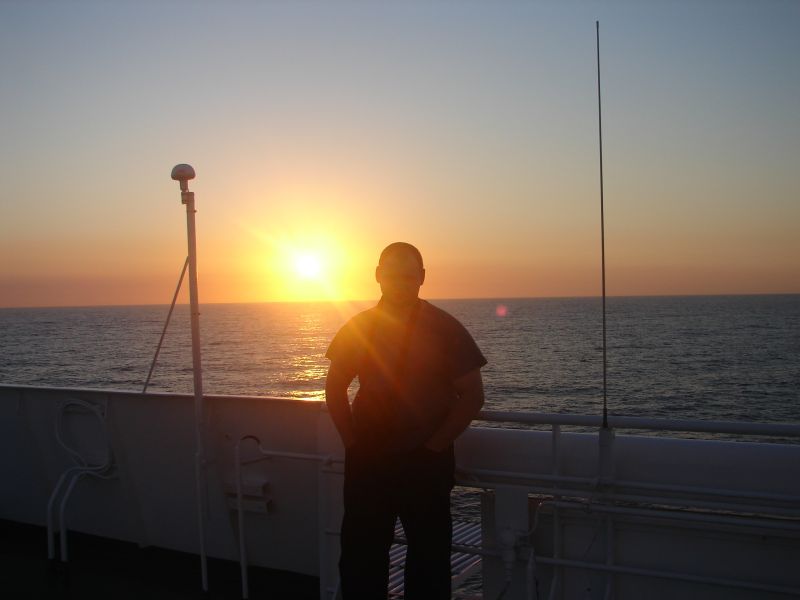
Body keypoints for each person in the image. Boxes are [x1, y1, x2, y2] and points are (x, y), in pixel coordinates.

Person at [325, 242, 487, 599]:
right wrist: (353, 445)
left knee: (429, 565)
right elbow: (334, 388)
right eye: (392, 274)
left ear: (422, 277)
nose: (400, 282)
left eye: (408, 275)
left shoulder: (445, 328)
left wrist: (433, 449)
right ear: (378, 276)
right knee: (361, 562)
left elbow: (473, 396)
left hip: (425, 465)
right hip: (368, 461)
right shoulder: (359, 327)